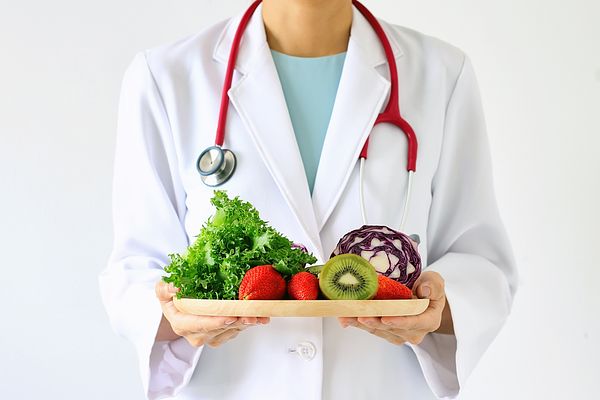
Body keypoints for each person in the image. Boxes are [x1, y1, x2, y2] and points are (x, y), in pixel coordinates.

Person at [99, 0, 517, 399]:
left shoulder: (442, 75)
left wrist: (438, 307)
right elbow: (135, 268)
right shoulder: (165, 77)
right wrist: (174, 313)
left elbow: (480, 261)